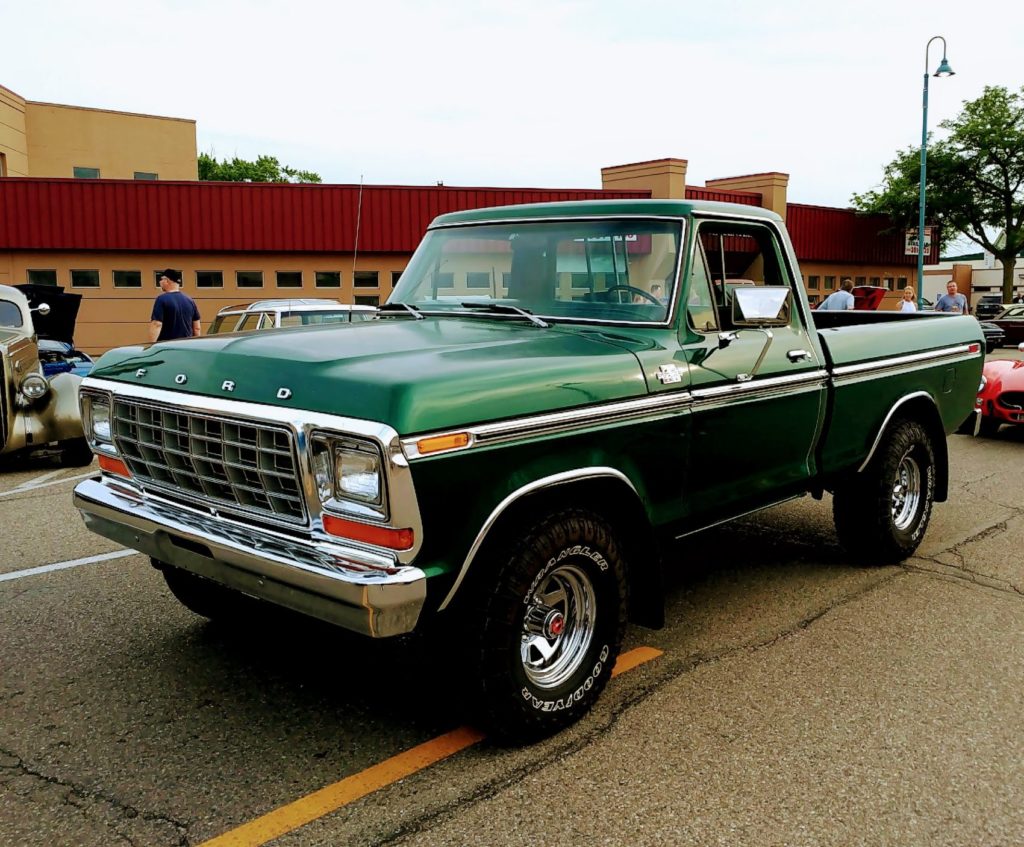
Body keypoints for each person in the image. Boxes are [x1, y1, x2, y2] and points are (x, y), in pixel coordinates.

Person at [150, 269, 201, 342]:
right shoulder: (190, 300)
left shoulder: (161, 299)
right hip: (186, 346)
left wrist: (150, 346)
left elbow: (156, 324)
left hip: (168, 347)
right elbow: (197, 328)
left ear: (166, 280)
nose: (159, 282)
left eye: (161, 279)